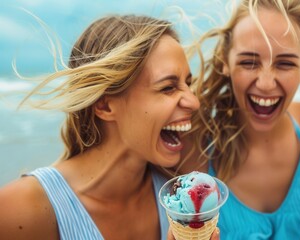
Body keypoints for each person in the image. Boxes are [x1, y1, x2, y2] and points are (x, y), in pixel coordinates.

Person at [175, 0, 300, 239]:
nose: (266, 84)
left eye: (285, 63)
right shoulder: (193, 147)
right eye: (249, 62)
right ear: (226, 61)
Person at [0, 14, 209, 240]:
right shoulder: (22, 210)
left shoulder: (181, 194)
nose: (194, 101)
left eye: (188, 84)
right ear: (105, 105)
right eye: (168, 87)